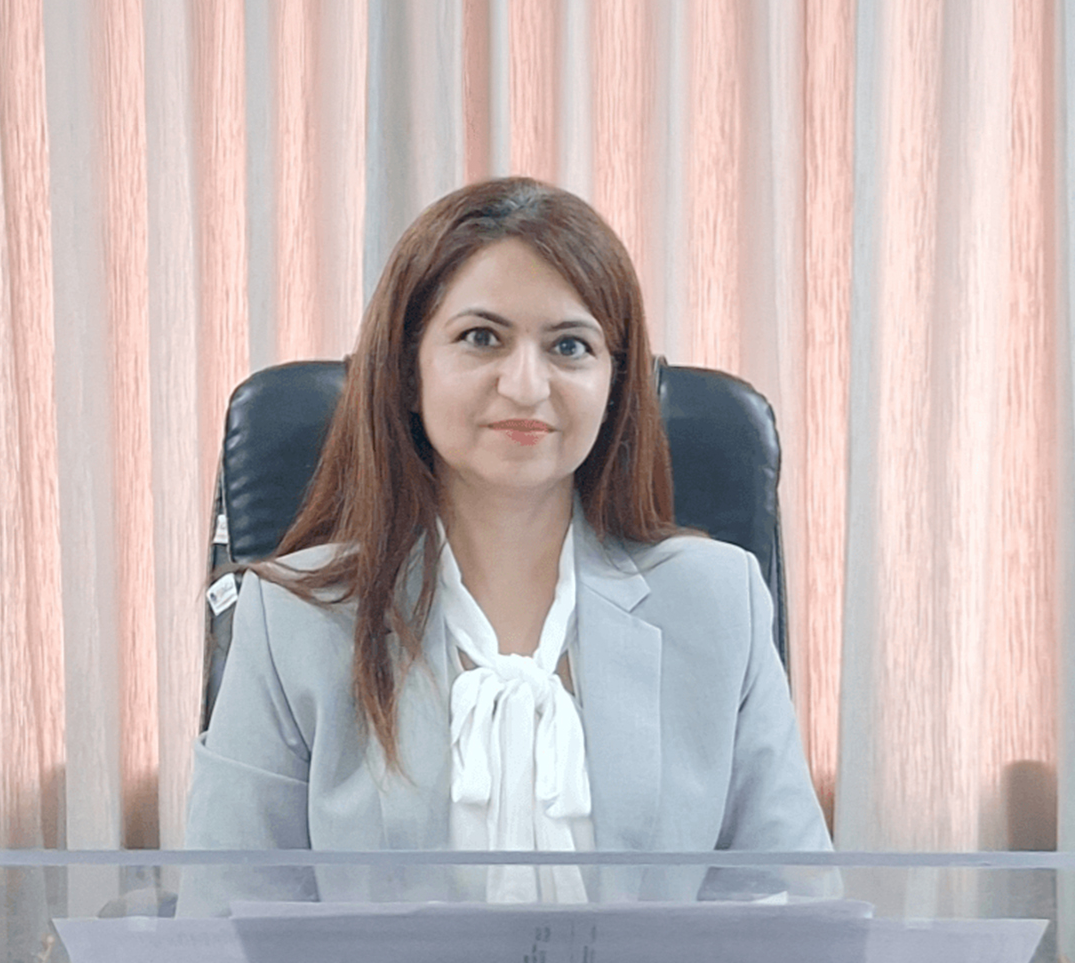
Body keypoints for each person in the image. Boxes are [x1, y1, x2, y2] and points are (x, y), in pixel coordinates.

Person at [183, 178, 830, 901]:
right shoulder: (294, 620)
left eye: (569, 346)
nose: (526, 386)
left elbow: (792, 909)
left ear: (615, 384)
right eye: (481, 338)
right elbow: (228, 922)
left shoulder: (718, 601)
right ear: (408, 371)